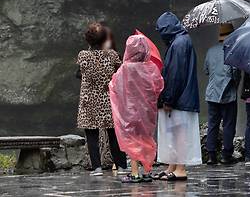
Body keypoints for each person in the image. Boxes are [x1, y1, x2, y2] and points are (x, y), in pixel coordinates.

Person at [109, 35, 164, 183]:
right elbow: (158, 86)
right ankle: (147, 171)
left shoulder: (125, 69)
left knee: (132, 139)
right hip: (147, 111)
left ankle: (135, 173)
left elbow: (114, 86)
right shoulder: (151, 67)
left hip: (130, 111)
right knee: (146, 137)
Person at [154, 12, 202, 180]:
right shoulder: (181, 41)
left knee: (180, 133)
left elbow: (175, 75)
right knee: (174, 132)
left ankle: (180, 169)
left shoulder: (179, 44)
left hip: (180, 100)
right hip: (183, 98)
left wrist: (168, 99)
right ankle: (172, 166)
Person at [77, 22, 128, 176]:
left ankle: (97, 168)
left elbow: (80, 72)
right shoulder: (112, 55)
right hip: (108, 97)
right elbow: (120, 71)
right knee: (113, 133)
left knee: (91, 134)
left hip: (89, 99)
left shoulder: (83, 55)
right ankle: (121, 166)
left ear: (88, 39)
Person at [204, 23, 241, 165]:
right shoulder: (232, 50)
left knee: (212, 124)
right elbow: (235, 73)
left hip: (212, 92)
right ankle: (226, 155)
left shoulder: (211, 50)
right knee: (228, 124)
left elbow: (206, 70)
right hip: (228, 93)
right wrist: (235, 86)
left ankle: (211, 155)